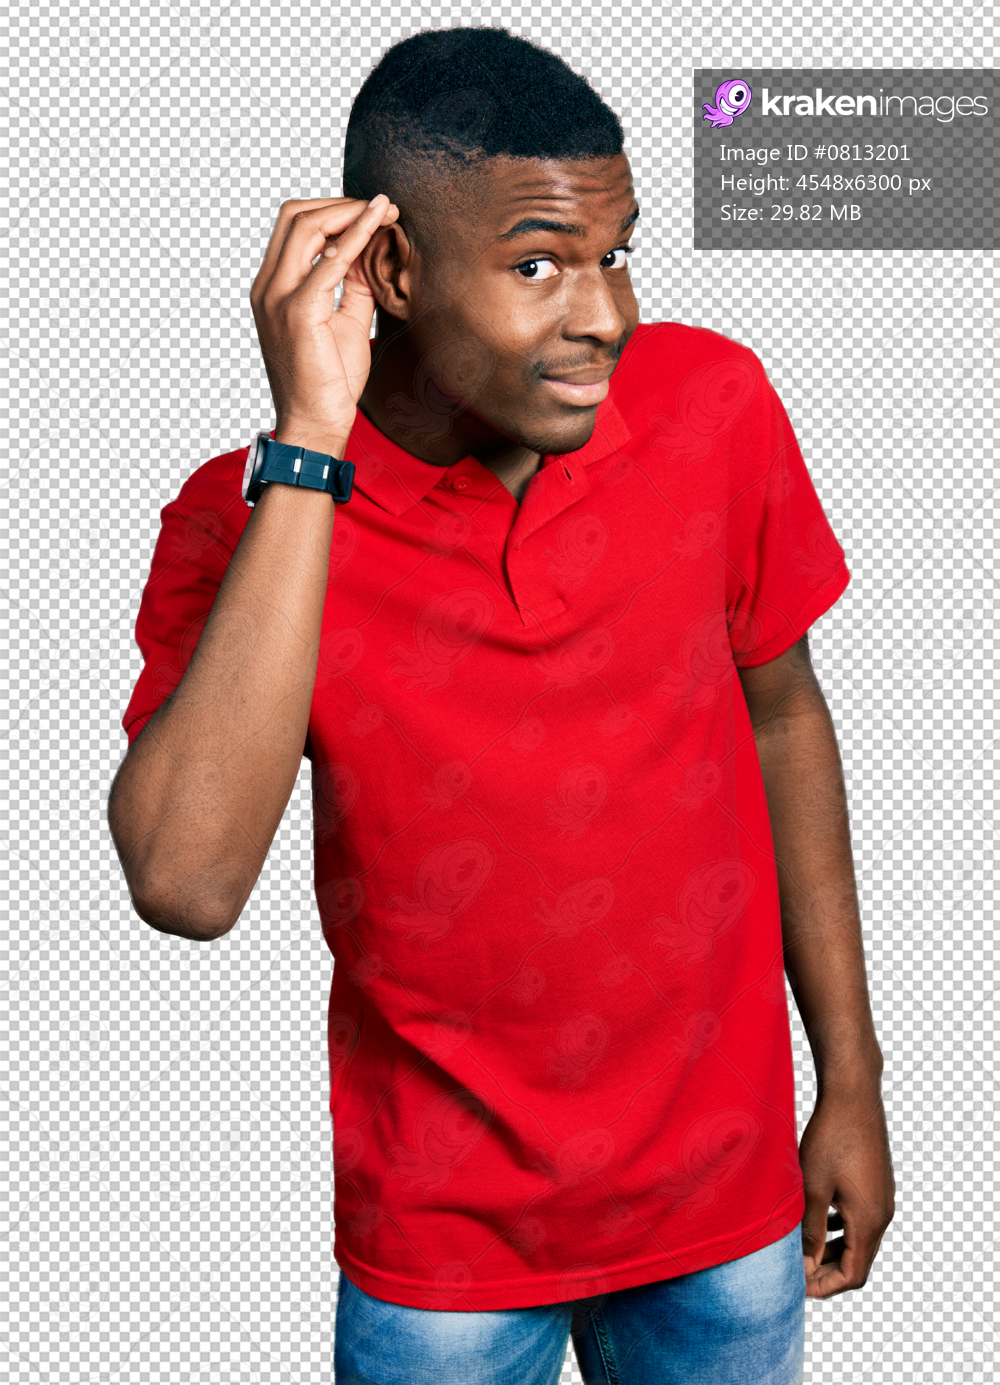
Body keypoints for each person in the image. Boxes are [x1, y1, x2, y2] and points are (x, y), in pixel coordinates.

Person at [108, 26, 894, 1385]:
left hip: (724, 1207)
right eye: (538, 266)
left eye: (616, 254)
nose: (604, 317)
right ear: (392, 271)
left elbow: (784, 722)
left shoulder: (713, 406)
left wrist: (854, 1080)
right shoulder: (249, 523)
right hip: (445, 1253)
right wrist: (310, 444)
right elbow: (186, 882)